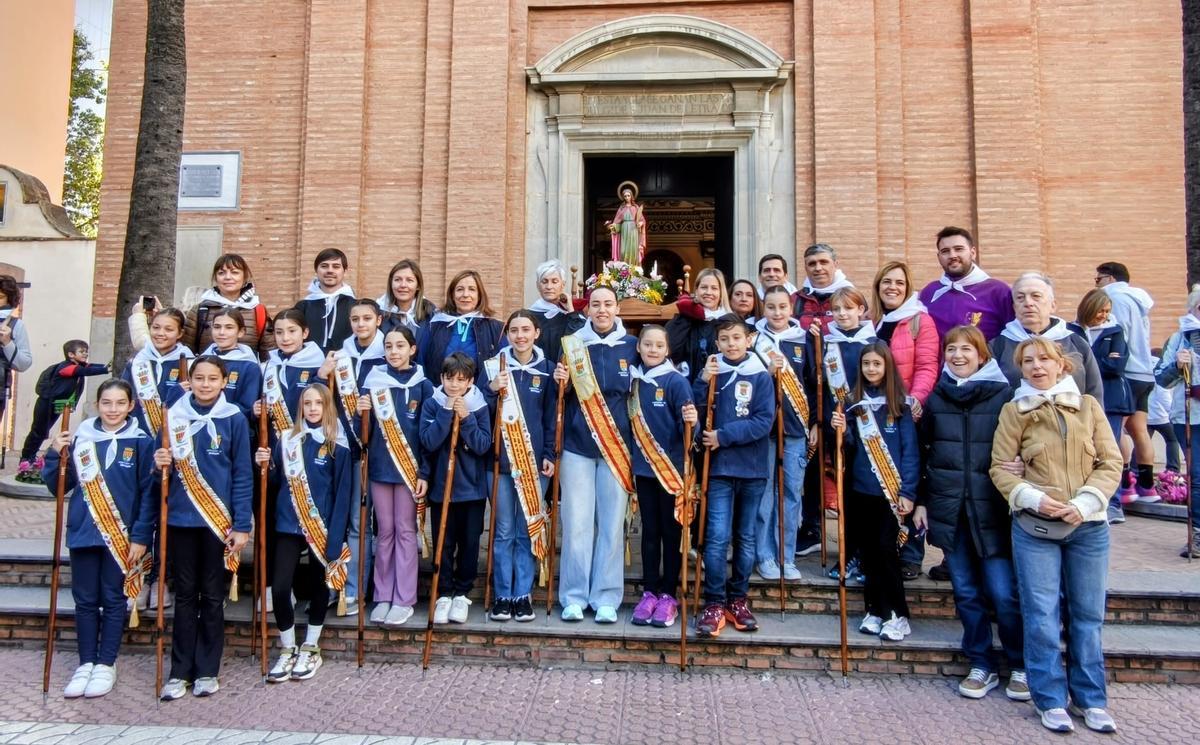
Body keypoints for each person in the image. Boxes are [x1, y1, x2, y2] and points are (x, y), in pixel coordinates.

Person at [990, 337, 1121, 734]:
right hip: (1036, 527)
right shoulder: (1014, 411)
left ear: (1061, 364)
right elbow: (999, 467)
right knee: (1041, 616)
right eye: (1028, 361)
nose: (1036, 366)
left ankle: (1091, 699)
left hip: (1088, 527)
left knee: (1087, 616)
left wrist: (1085, 502)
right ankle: (1049, 698)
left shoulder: (1088, 407)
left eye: (1044, 359)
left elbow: (1110, 462)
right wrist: (1032, 498)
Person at [913, 326, 1026, 701]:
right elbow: (925, 452)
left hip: (992, 509)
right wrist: (922, 500)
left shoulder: (1005, 396)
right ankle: (981, 663)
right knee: (965, 592)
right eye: (951, 349)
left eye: (966, 349)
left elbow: (1022, 446)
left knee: (1003, 593)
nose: (958, 356)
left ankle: (1020, 663)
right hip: (952, 508)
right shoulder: (937, 398)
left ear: (982, 355)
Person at [42, 379, 157, 699]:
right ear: (97, 405)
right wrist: (54, 453)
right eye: (107, 403)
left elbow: (147, 495)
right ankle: (86, 662)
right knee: (85, 601)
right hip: (84, 532)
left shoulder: (141, 442)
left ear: (131, 406)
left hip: (122, 537)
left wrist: (141, 536)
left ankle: (106, 662)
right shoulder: (81, 440)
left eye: (120, 403)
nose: (113, 409)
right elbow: (58, 486)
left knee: (113, 598)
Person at [155, 356, 253, 701]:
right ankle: (179, 671)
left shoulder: (234, 418)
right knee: (184, 596)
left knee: (212, 596)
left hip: (218, 522)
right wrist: (159, 463)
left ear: (224, 382)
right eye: (199, 378)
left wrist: (242, 524)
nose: (205, 384)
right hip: (181, 520)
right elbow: (159, 470)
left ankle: (208, 670)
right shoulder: (173, 417)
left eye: (213, 378)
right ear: (190, 381)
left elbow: (242, 474)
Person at [552, 286, 638, 623]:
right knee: (576, 523)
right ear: (587, 310)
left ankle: (606, 597)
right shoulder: (572, 345)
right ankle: (573, 596)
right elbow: (559, 397)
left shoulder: (632, 346)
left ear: (618, 308)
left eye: (608, 304)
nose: (602, 310)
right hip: (578, 446)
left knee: (612, 524)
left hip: (617, 447)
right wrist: (560, 382)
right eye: (596, 304)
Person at [256, 384, 352, 682]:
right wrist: (265, 467)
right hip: (288, 523)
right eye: (307, 403)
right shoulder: (286, 439)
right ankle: (287, 647)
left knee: (319, 585)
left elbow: (343, 493)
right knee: (280, 587)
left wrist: (336, 537)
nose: (312, 409)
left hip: (321, 526)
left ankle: (311, 646)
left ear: (327, 407)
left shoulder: (337, 444)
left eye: (318, 403)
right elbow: (274, 485)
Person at [829, 342, 919, 642]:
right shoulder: (853, 404)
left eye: (877, 364)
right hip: (861, 490)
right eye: (866, 363)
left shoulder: (900, 406)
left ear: (887, 367)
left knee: (886, 551)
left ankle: (897, 614)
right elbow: (847, 451)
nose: (871, 368)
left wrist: (908, 492)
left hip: (891, 493)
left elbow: (910, 453)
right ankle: (875, 610)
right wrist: (841, 431)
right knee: (868, 553)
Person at [693, 315, 774, 638]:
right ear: (717, 343)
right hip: (719, 470)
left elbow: (764, 421)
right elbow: (696, 412)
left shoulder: (760, 375)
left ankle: (738, 599)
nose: (731, 344)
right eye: (724, 339)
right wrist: (702, 382)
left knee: (746, 538)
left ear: (748, 339)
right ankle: (714, 601)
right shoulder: (713, 372)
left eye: (737, 338)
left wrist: (723, 436)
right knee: (716, 537)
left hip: (752, 468)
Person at [482, 311, 557, 623]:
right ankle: (502, 594)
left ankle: (522, 594)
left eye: (526, 329)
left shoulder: (548, 369)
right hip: (499, 462)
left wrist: (550, 453)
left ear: (537, 333)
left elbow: (552, 416)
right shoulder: (493, 367)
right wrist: (490, 389)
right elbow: (479, 413)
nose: (520, 336)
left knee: (528, 529)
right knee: (503, 531)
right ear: (507, 335)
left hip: (534, 464)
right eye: (514, 330)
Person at [359, 326, 432, 626]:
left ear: (412, 349)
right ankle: (383, 595)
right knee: (385, 532)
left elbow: (427, 436)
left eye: (400, 346)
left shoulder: (423, 385)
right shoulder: (373, 382)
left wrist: (424, 471)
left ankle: (404, 598)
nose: (393, 351)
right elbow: (362, 435)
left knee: (405, 531)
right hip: (380, 469)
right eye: (388, 346)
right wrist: (361, 413)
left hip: (409, 471)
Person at [870, 261, 939, 579]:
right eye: (887, 281)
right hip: (875, 414)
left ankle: (910, 553)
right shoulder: (872, 321)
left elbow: (927, 365)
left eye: (899, 282)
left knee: (909, 481)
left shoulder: (919, 321)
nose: (892, 287)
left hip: (906, 412)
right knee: (881, 479)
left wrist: (916, 399)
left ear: (908, 287)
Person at [805, 287, 877, 579]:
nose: (842, 314)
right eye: (836, 309)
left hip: (866, 428)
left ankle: (865, 555)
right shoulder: (825, 343)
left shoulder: (873, 343)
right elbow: (814, 384)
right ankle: (847, 553)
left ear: (861, 310)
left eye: (848, 308)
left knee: (864, 494)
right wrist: (817, 420)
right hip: (834, 427)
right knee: (843, 494)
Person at [320, 298, 387, 612]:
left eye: (367, 318)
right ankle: (333, 583)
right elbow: (320, 400)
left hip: (374, 451)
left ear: (378, 320)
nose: (361, 324)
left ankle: (356, 589)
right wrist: (322, 376)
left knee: (361, 525)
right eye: (355, 319)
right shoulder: (339, 357)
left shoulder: (387, 354)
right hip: (341, 448)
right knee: (337, 521)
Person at [628, 324, 696, 628]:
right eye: (647, 344)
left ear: (667, 350)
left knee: (671, 533)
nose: (653, 350)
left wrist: (691, 423)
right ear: (639, 347)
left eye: (659, 345)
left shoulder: (676, 381)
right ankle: (649, 591)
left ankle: (669, 594)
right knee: (649, 532)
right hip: (644, 470)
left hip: (670, 472)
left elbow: (688, 429)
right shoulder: (634, 380)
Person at [420, 352, 492, 624]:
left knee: (470, 543)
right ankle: (444, 592)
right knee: (444, 542)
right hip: (442, 490)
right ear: (441, 378)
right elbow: (428, 441)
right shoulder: (433, 404)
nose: (454, 385)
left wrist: (466, 418)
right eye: (450, 379)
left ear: (470, 381)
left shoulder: (479, 406)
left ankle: (462, 593)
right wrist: (446, 413)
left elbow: (482, 445)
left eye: (461, 380)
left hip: (471, 491)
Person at [752, 286, 810, 581]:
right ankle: (764, 556)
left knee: (790, 495)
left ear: (791, 308)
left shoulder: (805, 340)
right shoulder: (753, 340)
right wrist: (768, 374)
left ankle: (786, 556)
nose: (777, 313)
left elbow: (813, 382)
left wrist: (816, 423)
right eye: (771, 307)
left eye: (782, 307)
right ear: (763, 308)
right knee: (764, 495)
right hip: (764, 431)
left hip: (795, 429)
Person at [1068, 289, 1137, 523]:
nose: (1104, 316)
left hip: (1113, 400)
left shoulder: (1115, 331)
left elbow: (1116, 366)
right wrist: (1098, 361)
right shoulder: (1070, 331)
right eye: (1100, 310)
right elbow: (1068, 363)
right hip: (1080, 398)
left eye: (1107, 311)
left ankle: (1113, 503)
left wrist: (1085, 361)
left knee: (1109, 449)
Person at [1096, 262, 1159, 503]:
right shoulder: (1139, 300)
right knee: (1139, 429)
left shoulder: (1116, 299)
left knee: (1116, 427)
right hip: (1144, 373)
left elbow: (1115, 333)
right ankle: (1147, 487)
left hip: (1126, 372)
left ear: (1111, 278)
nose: (1097, 285)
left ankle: (1124, 485)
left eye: (1098, 279)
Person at [988, 272, 1103, 402]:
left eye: (1036, 296)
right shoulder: (998, 346)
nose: (1028, 303)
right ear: (1014, 307)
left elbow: (1094, 392)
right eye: (1020, 298)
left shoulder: (1075, 342)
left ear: (1053, 305)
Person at [16, 340, 109, 484]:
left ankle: (30, 458)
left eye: (86, 351)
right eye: (81, 351)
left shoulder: (79, 365)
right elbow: (84, 371)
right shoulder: (66, 367)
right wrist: (105, 370)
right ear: (71, 355)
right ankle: (26, 459)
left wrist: (107, 367)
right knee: (38, 431)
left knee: (43, 431)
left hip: (56, 405)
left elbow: (89, 366)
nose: (85, 354)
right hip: (46, 404)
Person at [1153, 284, 1200, 558]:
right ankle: (1198, 535)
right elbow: (1161, 378)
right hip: (1190, 419)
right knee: (1198, 475)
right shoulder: (1180, 339)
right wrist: (1177, 366)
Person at [917, 226, 1015, 341]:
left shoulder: (998, 291)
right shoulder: (929, 293)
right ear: (938, 257)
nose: (952, 255)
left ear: (973, 253)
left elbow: (1014, 336)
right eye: (945, 251)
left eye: (958, 249)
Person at [178, 254, 274, 357]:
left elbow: (269, 355)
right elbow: (186, 352)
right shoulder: (200, 310)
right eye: (221, 273)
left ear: (245, 277)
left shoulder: (258, 311)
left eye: (234, 272)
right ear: (215, 277)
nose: (228, 277)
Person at [122, 308, 195, 440]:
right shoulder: (136, 363)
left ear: (180, 333)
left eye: (169, 329)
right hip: (138, 436)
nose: (160, 333)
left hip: (177, 437)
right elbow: (123, 398)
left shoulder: (190, 364)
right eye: (156, 327)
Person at [419, 270, 504, 375]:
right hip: (439, 385)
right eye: (460, 289)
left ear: (479, 295)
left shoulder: (495, 329)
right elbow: (421, 362)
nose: (465, 294)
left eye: (472, 289)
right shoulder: (434, 325)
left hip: (480, 386)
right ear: (452, 295)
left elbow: (505, 364)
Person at [666, 267, 731, 381]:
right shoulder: (683, 319)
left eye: (714, 288)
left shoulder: (728, 322)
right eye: (704, 287)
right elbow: (670, 350)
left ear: (721, 293)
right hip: (688, 384)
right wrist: (688, 314)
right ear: (696, 290)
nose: (708, 292)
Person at [200, 308, 263, 421]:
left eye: (229, 327)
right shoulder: (200, 361)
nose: (221, 332)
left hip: (233, 425)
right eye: (217, 327)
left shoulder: (249, 366)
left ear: (241, 332)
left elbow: (248, 408)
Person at [293, 248, 357, 353]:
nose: (330, 270)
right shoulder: (302, 307)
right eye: (324, 266)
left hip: (346, 361)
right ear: (316, 270)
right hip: (309, 361)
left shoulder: (355, 306)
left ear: (345, 271)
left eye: (336, 266)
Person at [527, 259, 584, 361]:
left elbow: (580, 339)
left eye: (554, 282)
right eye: (544, 282)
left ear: (563, 284)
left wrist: (571, 310)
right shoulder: (529, 317)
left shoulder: (572, 315)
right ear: (537, 285)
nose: (549, 287)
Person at [793, 243, 854, 334]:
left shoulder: (852, 297)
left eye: (823, 262)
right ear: (806, 268)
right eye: (812, 264)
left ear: (835, 265)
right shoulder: (794, 300)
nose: (818, 268)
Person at [0, 275, 33, 425]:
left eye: (0, 297)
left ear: (9, 300)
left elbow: (24, 363)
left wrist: (7, 343)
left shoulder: (16, 325)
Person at [378, 259, 437, 337]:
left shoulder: (432, 315)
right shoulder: (379, 314)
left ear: (418, 286)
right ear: (391, 284)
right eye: (397, 280)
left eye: (409, 280)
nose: (403, 285)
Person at [606, 181, 646, 265]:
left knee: (633, 250)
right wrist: (612, 226)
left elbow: (642, 220)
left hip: (633, 229)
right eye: (625, 196)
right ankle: (623, 267)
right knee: (623, 251)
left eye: (628, 195)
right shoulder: (621, 208)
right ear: (623, 197)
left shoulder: (636, 207)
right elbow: (617, 222)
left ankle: (633, 267)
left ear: (631, 196)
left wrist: (641, 223)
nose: (627, 197)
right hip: (624, 230)